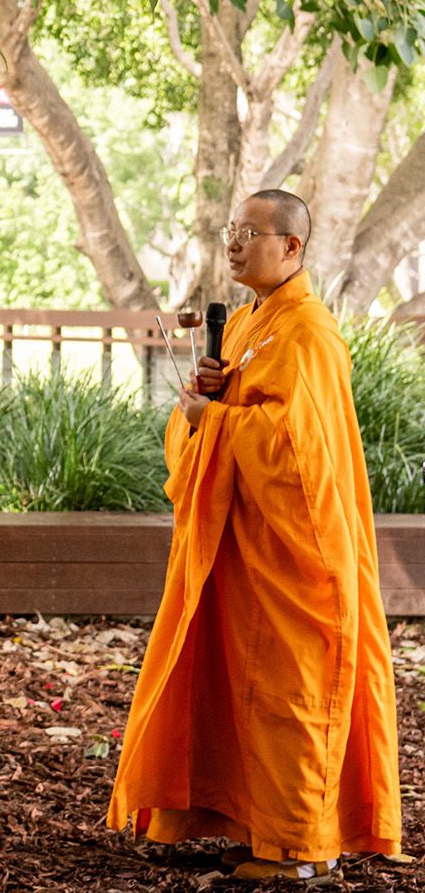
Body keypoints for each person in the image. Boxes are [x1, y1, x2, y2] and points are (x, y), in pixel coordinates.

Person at [108, 189, 402, 881]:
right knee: (241, 691)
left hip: (297, 552)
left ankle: (304, 849)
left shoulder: (311, 333)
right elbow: (215, 435)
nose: (233, 243)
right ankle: (258, 828)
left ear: (291, 247)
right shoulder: (244, 323)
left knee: (289, 695)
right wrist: (203, 401)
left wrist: (216, 421)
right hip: (243, 549)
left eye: (249, 232)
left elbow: (300, 451)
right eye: (229, 230)